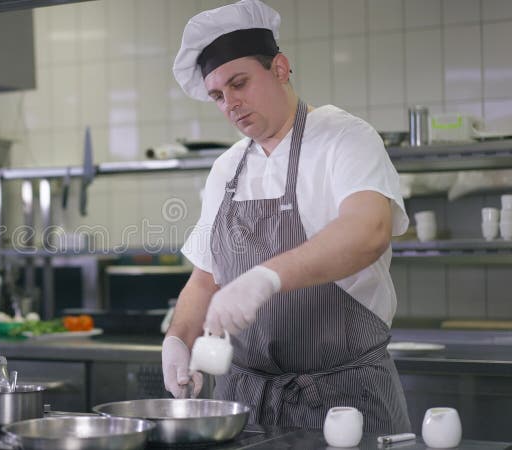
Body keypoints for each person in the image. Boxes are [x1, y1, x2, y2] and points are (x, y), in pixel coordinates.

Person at [161, 0, 411, 433]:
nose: (230, 104)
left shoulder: (344, 138)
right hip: (246, 404)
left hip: (343, 402)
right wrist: (178, 339)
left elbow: (370, 230)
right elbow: (206, 278)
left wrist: (265, 278)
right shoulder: (227, 168)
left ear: (279, 68)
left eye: (239, 83)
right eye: (218, 95)